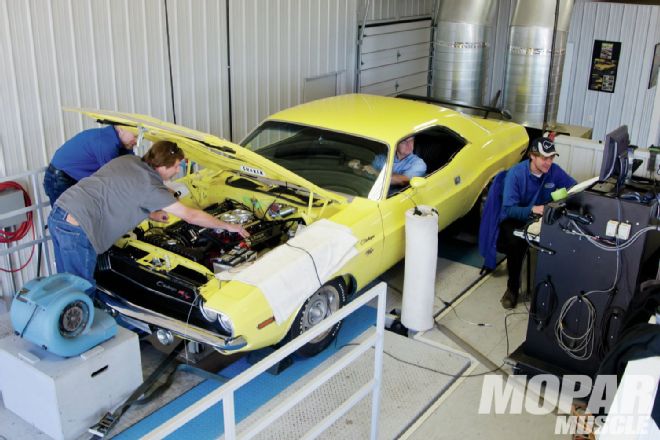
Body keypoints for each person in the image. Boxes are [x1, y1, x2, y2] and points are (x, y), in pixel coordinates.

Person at [48, 140, 249, 292]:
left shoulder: (130, 160)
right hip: (78, 227)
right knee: (80, 288)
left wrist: (151, 212)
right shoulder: (151, 187)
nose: (178, 170)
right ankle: (80, 339)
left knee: (65, 283)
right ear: (163, 165)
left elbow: (122, 191)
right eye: (177, 165)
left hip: (61, 212)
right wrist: (227, 226)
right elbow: (190, 216)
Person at [497, 136, 576, 309]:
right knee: (516, 243)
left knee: (564, 235)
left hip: (542, 216)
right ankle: (512, 288)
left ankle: (554, 288)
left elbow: (573, 188)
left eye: (551, 158)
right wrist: (533, 209)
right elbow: (509, 208)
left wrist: (565, 199)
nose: (549, 162)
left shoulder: (554, 171)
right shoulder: (516, 174)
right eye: (544, 158)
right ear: (532, 156)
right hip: (517, 217)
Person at [43, 125, 138, 207]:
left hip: (72, 177)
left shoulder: (122, 145)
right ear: (121, 129)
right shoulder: (106, 143)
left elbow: (130, 167)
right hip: (59, 179)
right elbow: (113, 180)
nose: (137, 141)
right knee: (66, 221)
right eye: (135, 136)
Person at [349, 136, 426, 189]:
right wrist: (356, 167)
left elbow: (403, 180)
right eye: (404, 142)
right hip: (372, 192)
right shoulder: (381, 158)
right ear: (395, 145)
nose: (409, 145)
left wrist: (376, 173)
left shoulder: (418, 163)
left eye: (411, 140)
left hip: (396, 199)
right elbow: (365, 172)